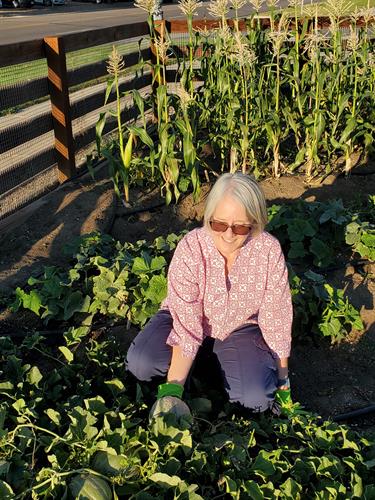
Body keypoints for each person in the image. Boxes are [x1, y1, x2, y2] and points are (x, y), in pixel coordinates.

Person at [126, 172, 293, 418]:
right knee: (142, 363)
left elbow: (276, 317)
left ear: (255, 223)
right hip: (183, 320)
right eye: (219, 224)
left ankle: (213, 363)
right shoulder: (192, 248)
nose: (228, 234)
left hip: (239, 327)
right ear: (208, 217)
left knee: (255, 399)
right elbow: (186, 325)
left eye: (240, 227)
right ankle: (194, 367)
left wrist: (283, 380)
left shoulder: (268, 250)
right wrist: (172, 392)